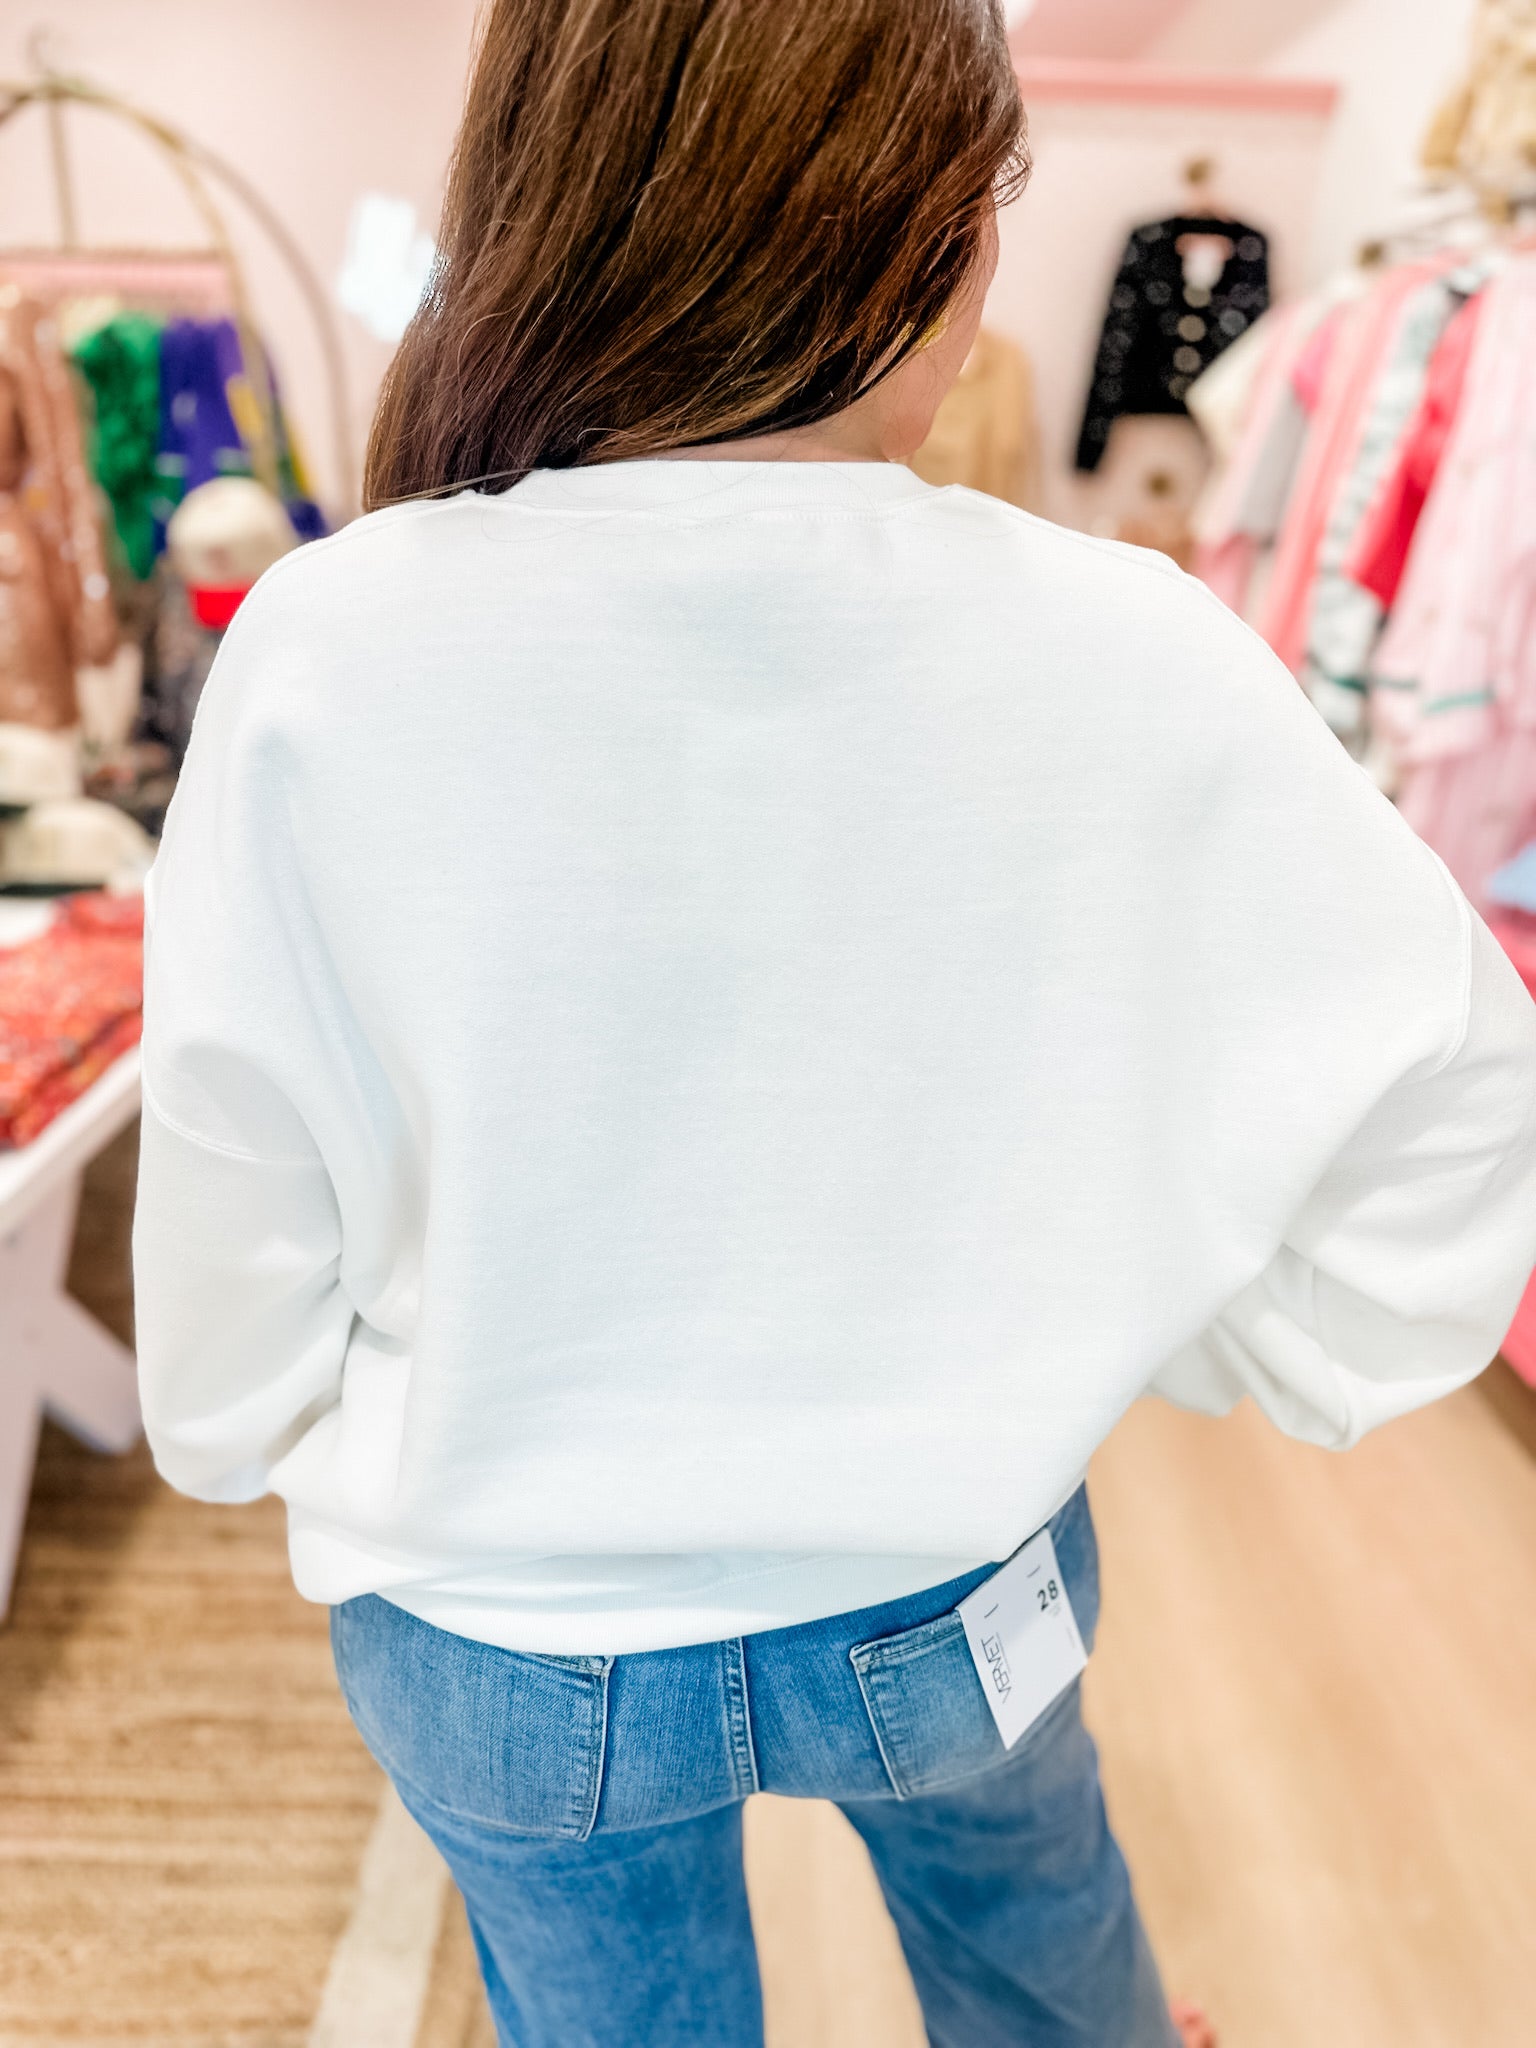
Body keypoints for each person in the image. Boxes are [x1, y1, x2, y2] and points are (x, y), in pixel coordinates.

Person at [131, 3, 1536, 2045]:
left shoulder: (335, 643)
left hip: (503, 1633)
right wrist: (1198, 1319)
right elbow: (1459, 1101)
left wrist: (295, 1423)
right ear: (942, 237)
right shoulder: (1125, 642)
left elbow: (238, 1198)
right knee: (1055, 1977)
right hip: (954, 1587)